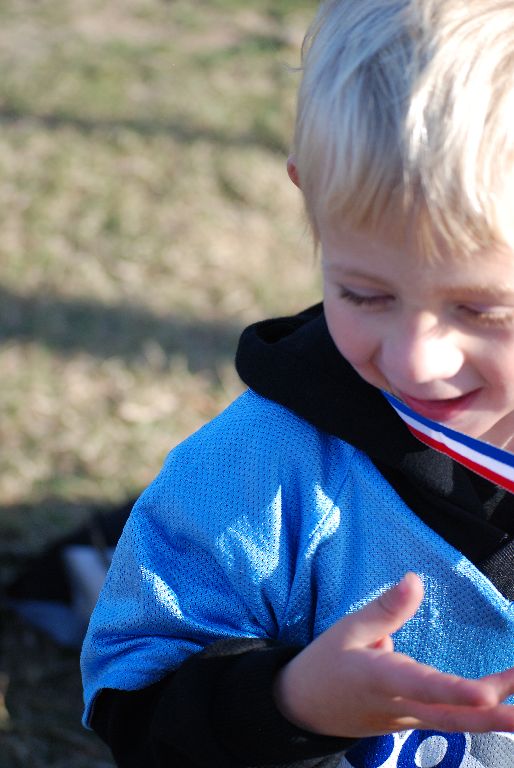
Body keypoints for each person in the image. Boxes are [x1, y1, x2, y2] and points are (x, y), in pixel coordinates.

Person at [81, 1, 514, 766]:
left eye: (481, 310)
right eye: (365, 294)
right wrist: (291, 703)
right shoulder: (255, 475)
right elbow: (138, 707)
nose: (416, 360)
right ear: (309, 196)